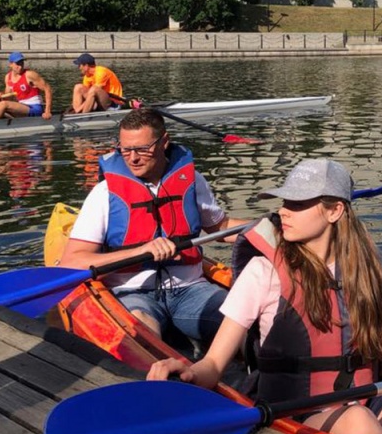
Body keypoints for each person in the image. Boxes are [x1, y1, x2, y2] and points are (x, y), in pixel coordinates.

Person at [148, 159, 382, 434]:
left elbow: (379, 333)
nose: (284, 212)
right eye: (285, 202)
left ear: (334, 212)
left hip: (363, 402)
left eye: (298, 204)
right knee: (358, 422)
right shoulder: (263, 272)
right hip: (296, 412)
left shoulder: (360, 268)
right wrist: (190, 373)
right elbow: (214, 364)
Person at [58, 108, 247, 345]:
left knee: (246, 324)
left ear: (164, 142)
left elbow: (221, 227)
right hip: (132, 294)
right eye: (125, 150)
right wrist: (141, 251)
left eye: (142, 149)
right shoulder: (104, 193)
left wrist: (268, 223)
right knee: (143, 336)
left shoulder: (192, 180)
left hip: (191, 290)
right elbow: (71, 262)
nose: (133, 158)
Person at [0, 52, 53, 122]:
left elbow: (48, 89)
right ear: (10, 64)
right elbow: (7, 98)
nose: (20, 66)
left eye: (21, 63)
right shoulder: (8, 77)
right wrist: (0, 95)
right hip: (21, 107)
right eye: (17, 64)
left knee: (4, 104)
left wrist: (47, 111)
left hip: (35, 108)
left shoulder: (29, 74)